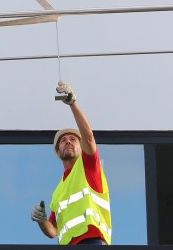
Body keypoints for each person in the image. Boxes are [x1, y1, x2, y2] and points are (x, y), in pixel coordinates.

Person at [31, 81, 112, 245]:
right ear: (58, 151)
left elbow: (89, 137)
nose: (68, 142)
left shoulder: (88, 167)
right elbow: (53, 231)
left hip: (93, 242)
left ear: (81, 148)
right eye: (63, 141)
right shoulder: (58, 191)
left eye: (73, 140)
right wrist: (42, 220)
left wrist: (72, 103)